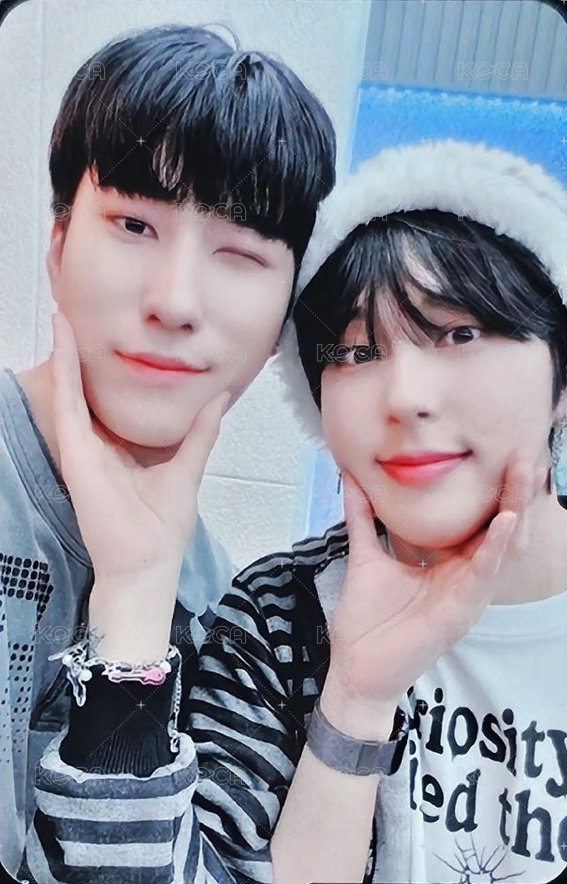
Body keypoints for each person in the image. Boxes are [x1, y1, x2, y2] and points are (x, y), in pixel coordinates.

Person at [0, 22, 336, 883]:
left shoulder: (229, 612)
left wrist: (138, 593)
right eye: (133, 224)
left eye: (240, 252)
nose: (175, 300)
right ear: (58, 242)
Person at [185, 139, 567, 884]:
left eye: (460, 333)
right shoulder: (275, 619)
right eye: (356, 353)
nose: (405, 398)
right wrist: (356, 700)